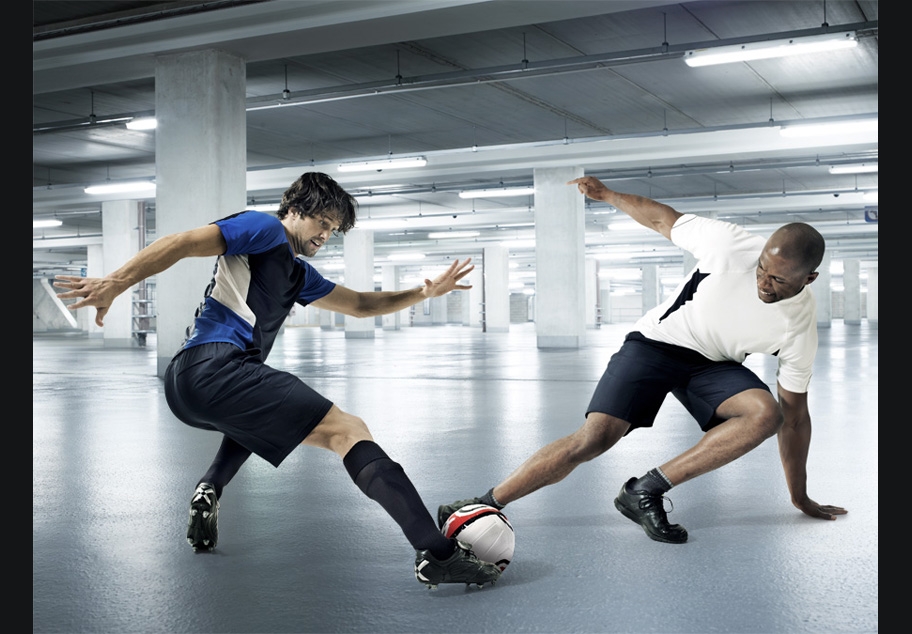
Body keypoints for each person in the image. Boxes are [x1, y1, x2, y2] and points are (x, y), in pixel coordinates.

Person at [55, 171, 501, 589]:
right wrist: (115, 282)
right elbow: (181, 242)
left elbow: (363, 305)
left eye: (334, 229)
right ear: (294, 209)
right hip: (214, 367)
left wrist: (423, 292)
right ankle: (438, 555)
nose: (325, 235)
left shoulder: (298, 272)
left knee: (262, 418)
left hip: (189, 382)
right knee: (348, 432)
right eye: (322, 222)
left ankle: (210, 486)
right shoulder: (265, 229)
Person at [438, 175, 847, 544]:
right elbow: (660, 219)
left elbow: (795, 418)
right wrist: (607, 195)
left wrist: (800, 496)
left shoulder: (798, 327)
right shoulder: (730, 244)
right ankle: (480, 503)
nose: (762, 281)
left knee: (766, 414)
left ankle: (644, 490)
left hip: (711, 363)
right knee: (593, 439)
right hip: (655, 343)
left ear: (808, 279)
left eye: (777, 279)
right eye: (761, 269)